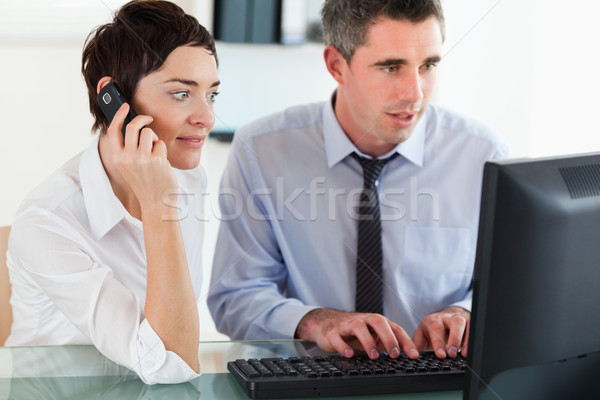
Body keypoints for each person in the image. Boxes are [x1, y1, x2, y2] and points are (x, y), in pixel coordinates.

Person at [208, 0, 509, 362]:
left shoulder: (481, 153)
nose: (414, 93)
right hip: (316, 383)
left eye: (428, 65)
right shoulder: (261, 150)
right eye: (391, 67)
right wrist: (313, 322)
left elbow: (513, 286)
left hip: (442, 382)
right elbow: (234, 297)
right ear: (337, 65)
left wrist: (466, 313)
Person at [5, 0, 220, 384]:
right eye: (182, 94)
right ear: (115, 99)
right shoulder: (47, 222)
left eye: (212, 94)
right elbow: (172, 364)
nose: (207, 117)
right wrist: (158, 207)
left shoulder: (187, 177)